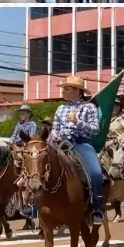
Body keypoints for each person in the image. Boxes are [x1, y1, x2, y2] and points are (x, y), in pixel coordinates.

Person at [48, 75, 105, 225]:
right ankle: (38, 203)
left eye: (66, 89)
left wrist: (77, 122)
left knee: (96, 172)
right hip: (60, 144)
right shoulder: (61, 109)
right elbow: (54, 129)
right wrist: (56, 136)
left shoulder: (89, 107)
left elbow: (95, 129)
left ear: (77, 91)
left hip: (80, 144)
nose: (63, 92)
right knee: (39, 162)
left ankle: (97, 208)